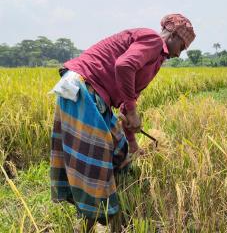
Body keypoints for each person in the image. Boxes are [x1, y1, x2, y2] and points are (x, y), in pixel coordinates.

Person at [49, 13, 195, 231]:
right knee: (97, 159)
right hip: (83, 88)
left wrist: (133, 143)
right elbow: (124, 66)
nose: (178, 53)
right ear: (173, 35)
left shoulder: (155, 61)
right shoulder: (152, 40)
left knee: (120, 153)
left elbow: (128, 103)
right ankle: (97, 221)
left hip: (94, 95)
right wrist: (134, 112)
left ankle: (111, 219)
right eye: (181, 47)